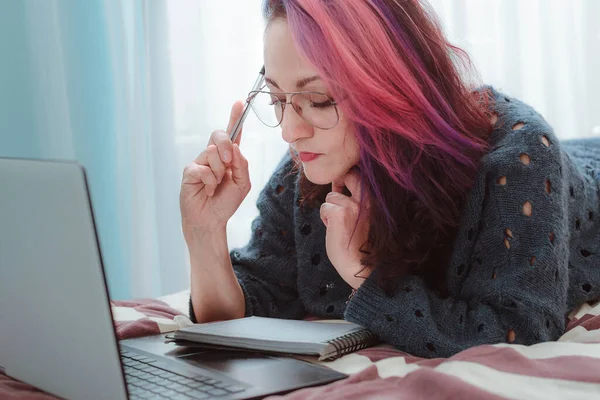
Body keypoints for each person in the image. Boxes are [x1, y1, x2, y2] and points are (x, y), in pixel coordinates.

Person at [180, 0, 600, 358]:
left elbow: (518, 332)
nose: (290, 131)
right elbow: (244, 310)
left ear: (390, 85)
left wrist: (364, 273)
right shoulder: (307, 167)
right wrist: (204, 234)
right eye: (276, 100)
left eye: (319, 99)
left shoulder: (518, 154)